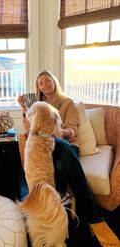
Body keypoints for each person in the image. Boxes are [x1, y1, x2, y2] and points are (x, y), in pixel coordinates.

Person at [17, 70, 120, 247]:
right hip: (46, 147)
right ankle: (56, 216)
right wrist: (24, 108)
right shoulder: (37, 104)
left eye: (47, 81)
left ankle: (93, 218)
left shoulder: (67, 102)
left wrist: (57, 132)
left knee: (61, 155)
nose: (44, 85)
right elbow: (30, 129)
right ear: (38, 87)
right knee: (55, 164)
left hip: (66, 145)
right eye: (40, 83)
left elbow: (73, 130)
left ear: (53, 82)